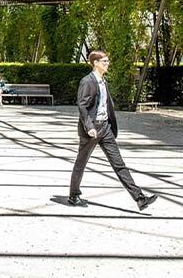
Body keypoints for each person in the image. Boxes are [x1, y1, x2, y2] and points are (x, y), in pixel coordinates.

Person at [67, 51, 158, 211]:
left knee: (119, 164)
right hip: (92, 129)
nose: (107, 63)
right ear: (95, 63)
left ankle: (140, 198)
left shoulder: (103, 81)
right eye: (104, 61)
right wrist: (89, 127)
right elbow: (82, 106)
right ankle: (73, 195)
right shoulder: (87, 81)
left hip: (106, 128)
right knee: (81, 163)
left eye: (108, 61)